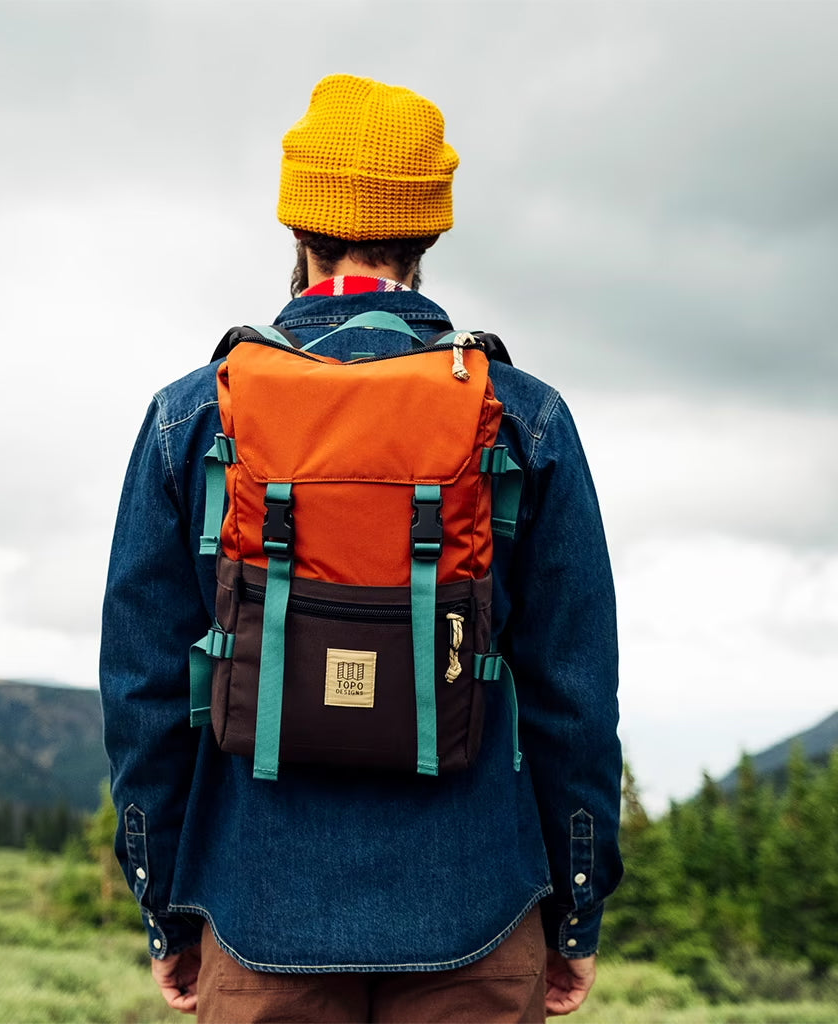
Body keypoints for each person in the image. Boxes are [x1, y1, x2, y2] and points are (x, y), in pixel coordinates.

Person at [100, 73, 622, 1023]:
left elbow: (143, 694)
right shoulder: (525, 416)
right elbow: (572, 695)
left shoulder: (193, 413)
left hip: (253, 914)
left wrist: (164, 911)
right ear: (427, 237)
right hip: (481, 910)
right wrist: (576, 914)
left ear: (297, 230)